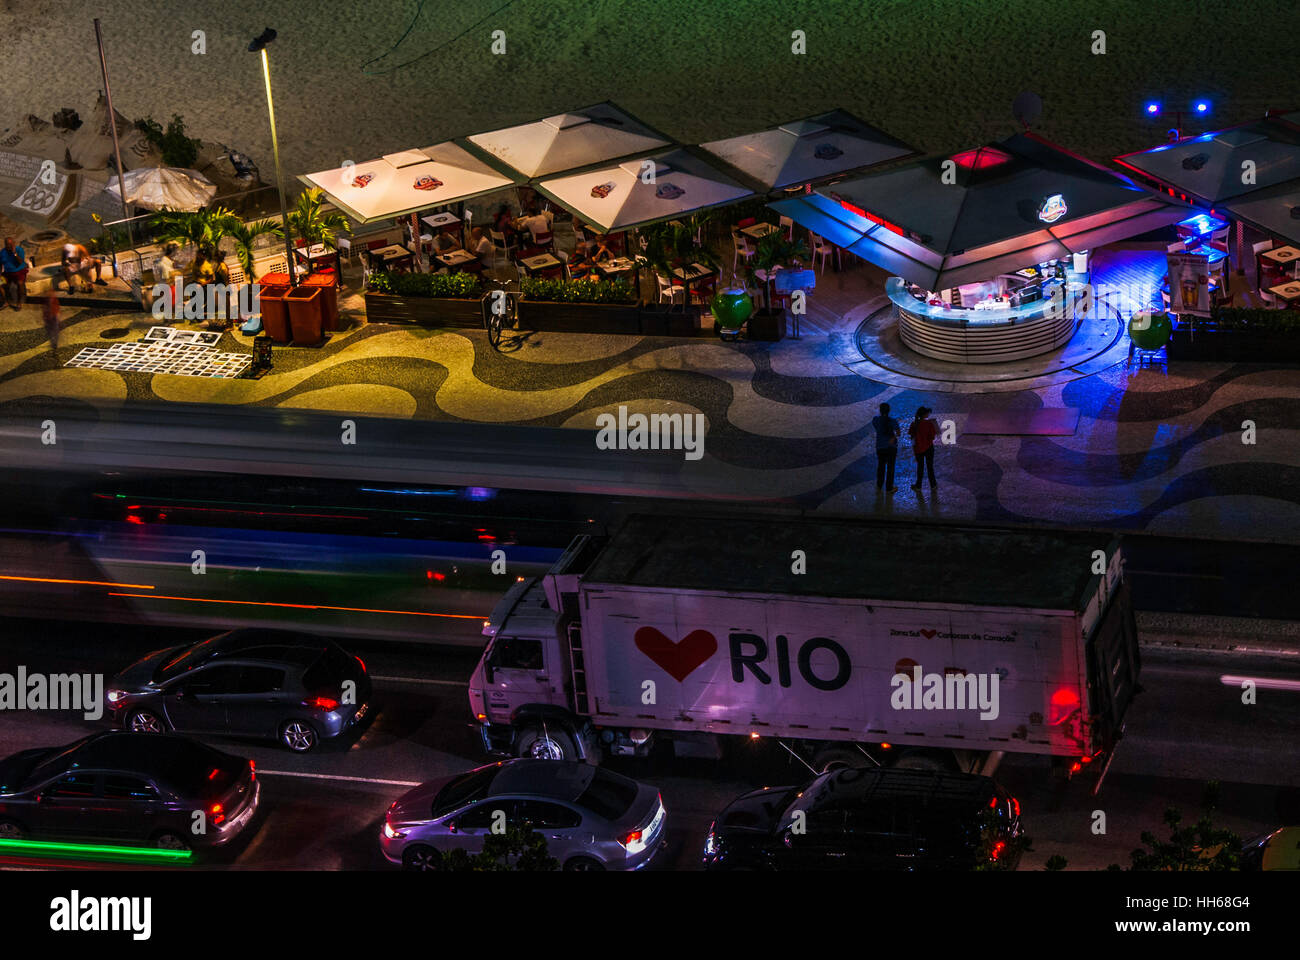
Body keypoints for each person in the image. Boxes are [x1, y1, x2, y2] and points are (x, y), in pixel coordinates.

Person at [871, 401, 900, 492]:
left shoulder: (876, 420)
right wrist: (893, 437)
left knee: (881, 466)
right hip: (891, 447)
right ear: (889, 411)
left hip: (880, 446)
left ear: (880, 410)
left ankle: (879, 485)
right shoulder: (893, 421)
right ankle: (889, 487)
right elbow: (898, 433)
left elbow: (876, 426)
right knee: (891, 468)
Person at [908, 406, 939, 490]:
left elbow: (912, 437)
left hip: (918, 449)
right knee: (930, 467)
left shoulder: (914, 424)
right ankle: (933, 485)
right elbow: (932, 437)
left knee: (920, 467)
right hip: (929, 448)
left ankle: (918, 485)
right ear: (925, 414)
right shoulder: (929, 424)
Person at [1, 236, 31, 310]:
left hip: (19, 271)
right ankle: (6, 301)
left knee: (19, 283)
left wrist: (15, 254)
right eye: (7, 244)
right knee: (0, 284)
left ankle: (19, 303)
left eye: (11, 244)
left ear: (13, 244)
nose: (9, 246)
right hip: (8, 272)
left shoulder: (19, 250)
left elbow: (20, 262)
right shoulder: (2, 252)